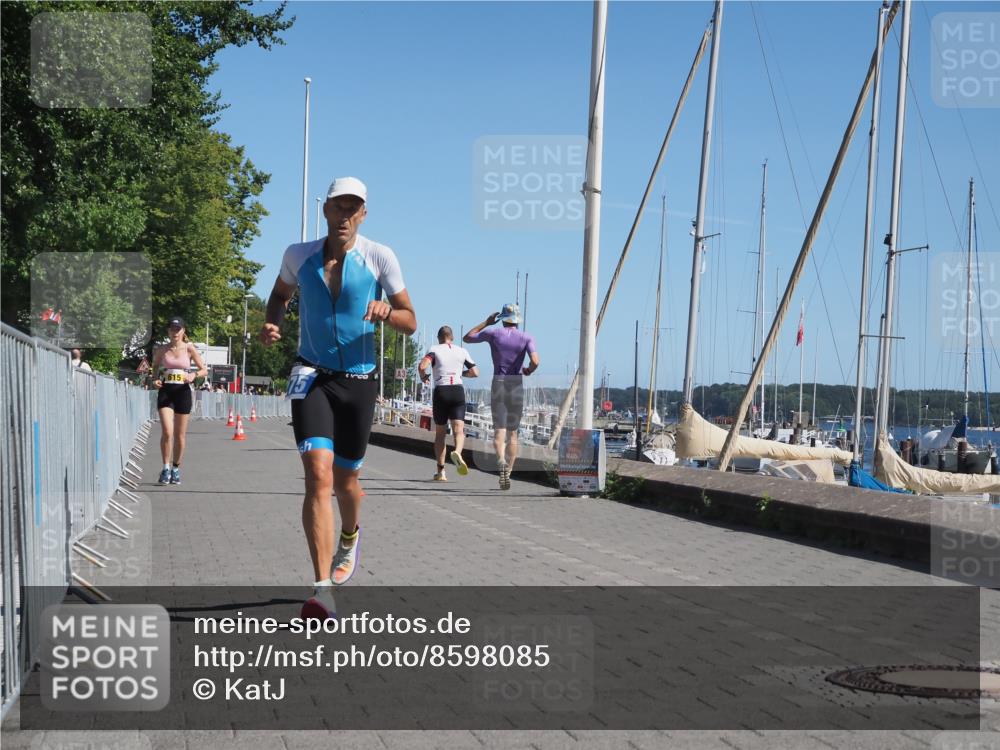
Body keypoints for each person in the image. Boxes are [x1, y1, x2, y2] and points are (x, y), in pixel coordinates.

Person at [260, 176, 416, 620]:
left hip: (359, 382)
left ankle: (350, 536)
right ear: (324, 210)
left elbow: (410, 318)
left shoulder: (379, 257)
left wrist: (389, 311)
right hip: (310, 376)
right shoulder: (298, 255)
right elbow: (278, 295)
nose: (344, 215)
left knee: (347, 483)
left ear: (363, 215)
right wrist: (273, 322)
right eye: (337, 207)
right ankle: (321, 589)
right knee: (318, 477)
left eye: (353, 208)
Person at [464, 304, 540, 490]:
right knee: (513, 434)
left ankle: (500, 461)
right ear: (517, 319)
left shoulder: (494, 334)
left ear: (503, 318)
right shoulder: (526, 337)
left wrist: (486, 322)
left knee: (499, 431)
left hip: (498, 382)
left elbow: (467, 337)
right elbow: (535, 361)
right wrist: (528, 370)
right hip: (516, 384)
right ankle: (510, 471)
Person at [151, 317, 208, 485]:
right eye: (172, 329)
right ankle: (165, 468)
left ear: (183, 331)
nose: (174, 332)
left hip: (182, 392)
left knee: (180, 435)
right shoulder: (162, 349)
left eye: (178, 329)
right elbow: (154, 367)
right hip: (166, 392)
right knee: (167, 432)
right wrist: (154, 379)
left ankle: (176, 468)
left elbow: (204, 369)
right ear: (168, 331)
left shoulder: (189, 349)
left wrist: (193, 375)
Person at [418, 326, 478, 481]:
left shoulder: (435, 349)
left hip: (441, 392)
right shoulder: (461, 351)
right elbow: (475, 372)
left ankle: (441, 471)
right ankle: (457, 451)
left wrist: (423, 376)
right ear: (452, 337)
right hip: (458, 391)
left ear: (439, 338)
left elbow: (422, 366)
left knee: (440, 434)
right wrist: (460, 373)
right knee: (459, 430)